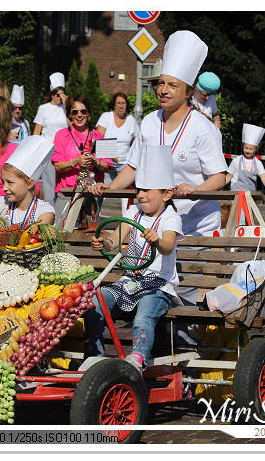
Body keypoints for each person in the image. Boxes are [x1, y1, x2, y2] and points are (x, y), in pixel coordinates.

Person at [88, 30, 227, 307]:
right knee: (155, 292)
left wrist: (195, 190)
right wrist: (109, 187)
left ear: (189, 91)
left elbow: (220, 177)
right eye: (161, 83)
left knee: (189, 295)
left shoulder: (203, 128)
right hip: (156, 222)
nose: (163, 90)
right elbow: (133, 166)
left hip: (195, 225)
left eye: (173, 85)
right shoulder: (150, 122)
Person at [84, 145, 183, 372]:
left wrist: (157, 240)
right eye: (139, 189)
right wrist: (105, 243)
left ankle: (137, 360)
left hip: (159, 286)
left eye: (147, 190)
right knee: (93, 303)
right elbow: (117, 236)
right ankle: (94, 359)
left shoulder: (170, 218)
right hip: (130, 283)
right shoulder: (134, 212)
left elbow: (168, 246)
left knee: (143, 317)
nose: (140, 195)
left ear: (166, 194)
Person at [52, 95, 110, 222]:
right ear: (70, 115)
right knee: (61, 234)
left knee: (89, 236)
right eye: (75, 112)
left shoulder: (98, 135)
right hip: (68, 192)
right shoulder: (61, 135)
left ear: (88, 113)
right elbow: (57, 166)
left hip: (92, 192)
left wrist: (95, 162)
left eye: (83, 111)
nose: (79, 115)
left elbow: (107, 166)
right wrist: (76, 161)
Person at [96, 92, 139, 215]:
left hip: (124, 164)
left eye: (123, 103)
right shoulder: (106, 116)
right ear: (113, 105)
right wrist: (109, 153)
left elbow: (138, 142)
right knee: (102, 190)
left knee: (126, 195)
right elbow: (98, 137)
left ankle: (126, 223)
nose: (121, 106)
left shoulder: (131, 120)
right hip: (106, 163)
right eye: (118, 103)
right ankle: (95, 220)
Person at [33, 72, 69, 206]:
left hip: (64, 152)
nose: (59, 97)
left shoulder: (68, 109)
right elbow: (37, 131)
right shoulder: (43, 108)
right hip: (49, 150)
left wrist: (67, 106)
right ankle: (50, 212)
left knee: (63, 184)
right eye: (56, 94)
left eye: (61, 94)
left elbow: (72, 126)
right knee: (49, 184)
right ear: (52, 94)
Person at [226, 123, 265, 199]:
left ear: (256, 149)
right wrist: (220, 186)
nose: (248, 151)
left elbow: (263, 177)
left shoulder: (258, 163)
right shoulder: (236, 160)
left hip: (250, 196)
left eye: (251, 149)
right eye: (246, 148)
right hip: (235, 194)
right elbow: (229, 176)